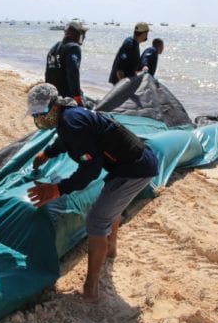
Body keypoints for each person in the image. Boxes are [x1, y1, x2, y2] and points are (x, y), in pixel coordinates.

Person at [25, 83, 158, 302]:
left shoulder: (72, 121)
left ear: (53, 106)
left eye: (40, 113)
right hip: (131, 163)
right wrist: (47, 153)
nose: (38, 118)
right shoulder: (69, 116)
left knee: (96, 221)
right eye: (35, 114)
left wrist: (58, 189)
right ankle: (111, 249)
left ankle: (91, 288)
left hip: (134, 169)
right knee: (110, 206)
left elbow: (91, 169)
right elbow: (66, 140)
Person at [45, 20, 88, 105]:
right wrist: (77, 97)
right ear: (76, 33)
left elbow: (48, 73)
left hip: (52, 95)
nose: (84, 36)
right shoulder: (73, 47)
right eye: (82, 33)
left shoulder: (54, 47)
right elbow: (73, 73)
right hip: (66, 97)